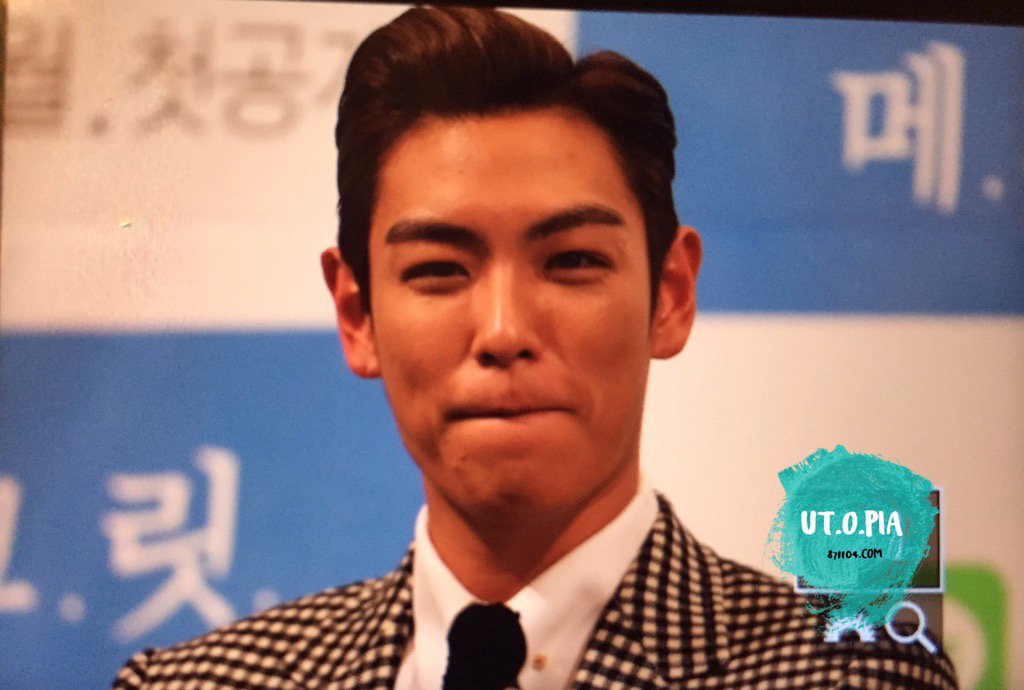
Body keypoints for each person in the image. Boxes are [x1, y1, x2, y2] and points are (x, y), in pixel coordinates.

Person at [112, 6, 957, 689]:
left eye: (572, 262)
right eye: (439, 270)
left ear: (669, 295)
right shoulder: (192, 684)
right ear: (357, 314)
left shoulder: (853, 672)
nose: (504, 331)